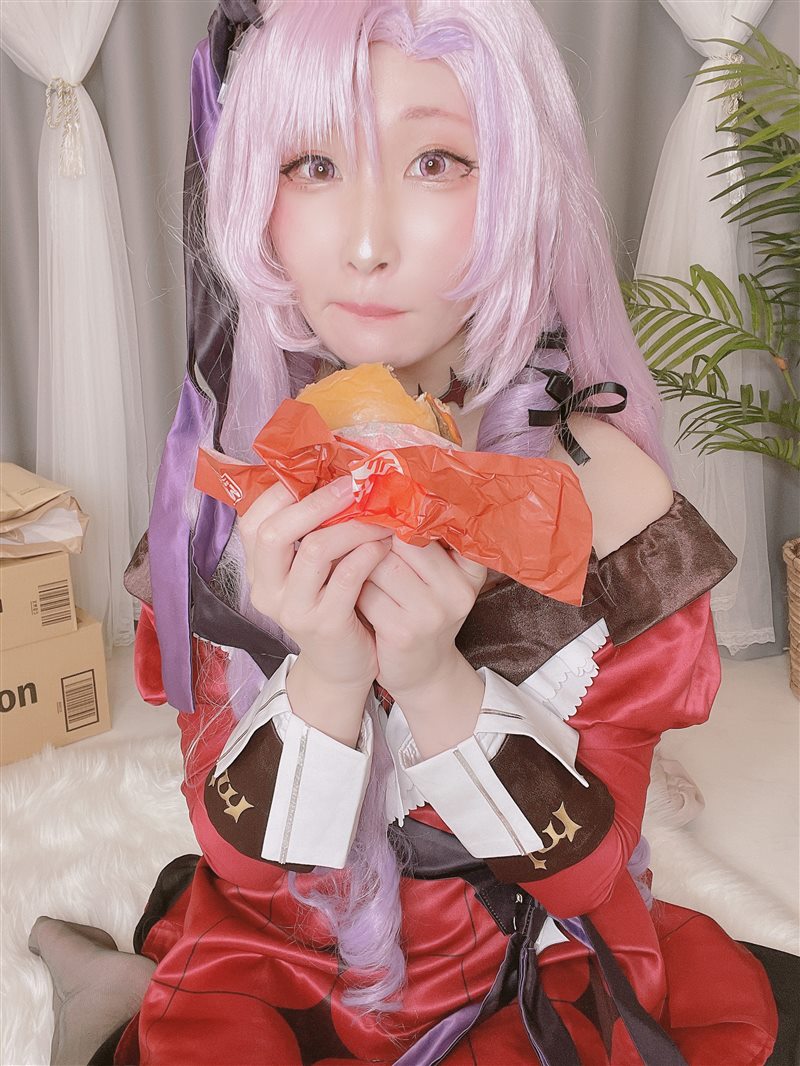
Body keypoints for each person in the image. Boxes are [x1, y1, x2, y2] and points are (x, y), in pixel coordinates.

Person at [27, 2, 784, 1064]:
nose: (366, 244)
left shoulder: (610, 503)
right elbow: (244, 870)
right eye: (311, 165)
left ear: (522, 183)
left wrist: (435, 683)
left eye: (436, 162)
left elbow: (586, 873)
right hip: (283, 953)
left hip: (526, 954)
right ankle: (116, 993)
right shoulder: (228, 487)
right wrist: (329, 676)